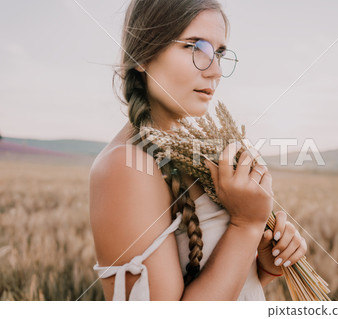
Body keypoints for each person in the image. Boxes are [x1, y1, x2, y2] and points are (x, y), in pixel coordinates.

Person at [89, 0, 307, 301]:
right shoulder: (126, 166)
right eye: (196, 47)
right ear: (141, 54)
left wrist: (263, 268)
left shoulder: (193, 152)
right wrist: (247, 225)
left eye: (218, 53)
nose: (215, 71)